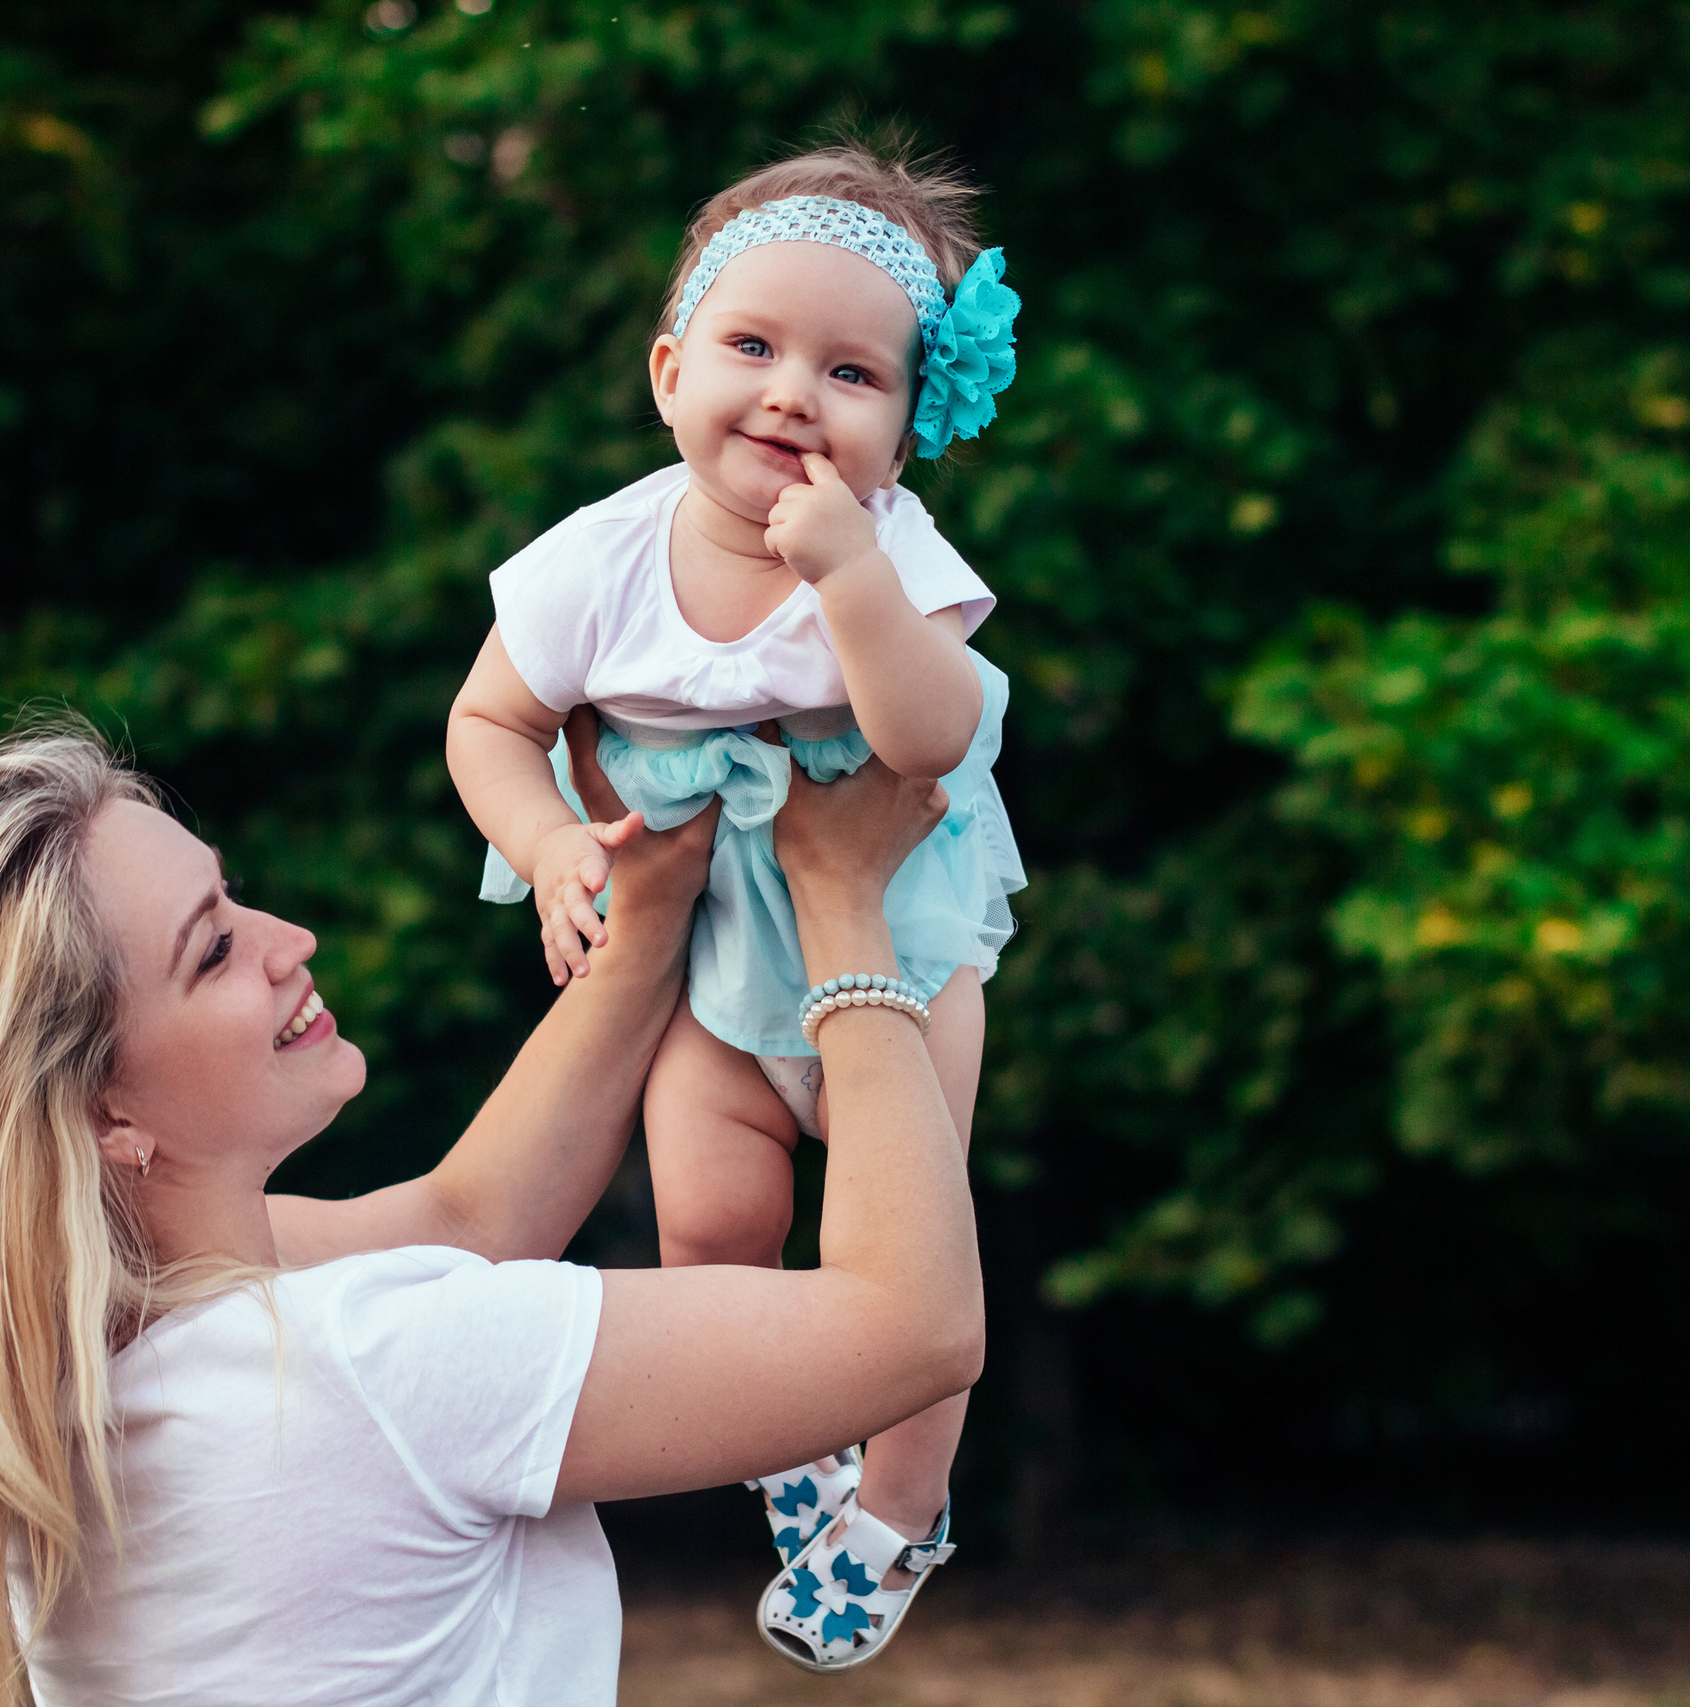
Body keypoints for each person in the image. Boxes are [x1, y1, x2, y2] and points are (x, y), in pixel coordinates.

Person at [0, 711, 983, 1706]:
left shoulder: (74, 1352)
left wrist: (646, 910)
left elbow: (470, 1219)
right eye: (212, 950)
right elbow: (910, 1327)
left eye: (229, 892)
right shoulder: (370, 1369)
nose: (287, 936)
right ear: (101, 1116)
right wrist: (840, 908)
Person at [444, 144, 1024, 1664]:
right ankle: (787, 1438)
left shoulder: (888, 554)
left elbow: (929, 741)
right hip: (706, 944)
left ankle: (903, 1506)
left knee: (904, 1245)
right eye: (752, 347)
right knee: (708, 1217)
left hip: (890, 930)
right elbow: (489, 723)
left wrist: (851, 584)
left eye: (851, 373)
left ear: (909, 425)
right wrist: (553, 841)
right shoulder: (599, 558)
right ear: (668, 371)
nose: (790, 395)